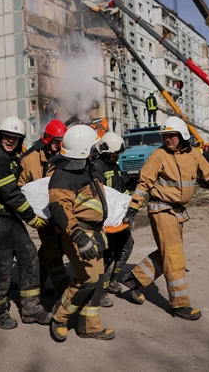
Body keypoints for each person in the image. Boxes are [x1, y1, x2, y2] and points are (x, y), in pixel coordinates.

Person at [121, 117, 209, 320]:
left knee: (168, 251)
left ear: (182, 135)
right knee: (174, 256)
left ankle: (135, 278)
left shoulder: (193, 155)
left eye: (171, 136)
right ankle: (179, 304)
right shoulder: (158, 156)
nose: (168, 140)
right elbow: (144, 183)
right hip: (161, 210)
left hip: (178, 212)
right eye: (165, 136)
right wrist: (132, 210)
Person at [0, 117, 51, 330]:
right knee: (3, 263)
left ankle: (31, 308)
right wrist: (32, 218)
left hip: (7, 214)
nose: (10, 140)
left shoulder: (10, 157)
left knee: (29, 254)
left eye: (15, 138)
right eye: (7, 136)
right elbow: (11, 193)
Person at [48, 125, 115, 342]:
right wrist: (79, 237)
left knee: (96, 281)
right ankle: (60, 317)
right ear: (84, 150)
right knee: (87, 279)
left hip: (93, 233)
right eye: (93, 147)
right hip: (79, 235)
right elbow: (60, 210)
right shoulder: (62, 177)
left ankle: (89, 326)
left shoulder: (86, 168)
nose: (96, 150)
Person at [18, 119, 70, 297]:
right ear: (47, 139)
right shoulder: (29, 160)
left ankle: (38, 280)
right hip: (41, 214)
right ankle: (63, 289)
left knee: (57, 247)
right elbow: (21, 187)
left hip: (59, 210)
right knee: (52, 250)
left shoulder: (64, 156)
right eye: (57, 141)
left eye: (62, 141)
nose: (60, 145)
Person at [91, 131, 134, 308]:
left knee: (126, 245)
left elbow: (121, 190)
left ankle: (111, 280)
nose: (117, 157)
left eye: (118, 154)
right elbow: (100, 196)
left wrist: (128, 205)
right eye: (114, 154)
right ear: (105, 152)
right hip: (104, 219)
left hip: (117, 218)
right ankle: (99, 291)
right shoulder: (96, 167)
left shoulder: (113, 165)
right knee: (106, 254)